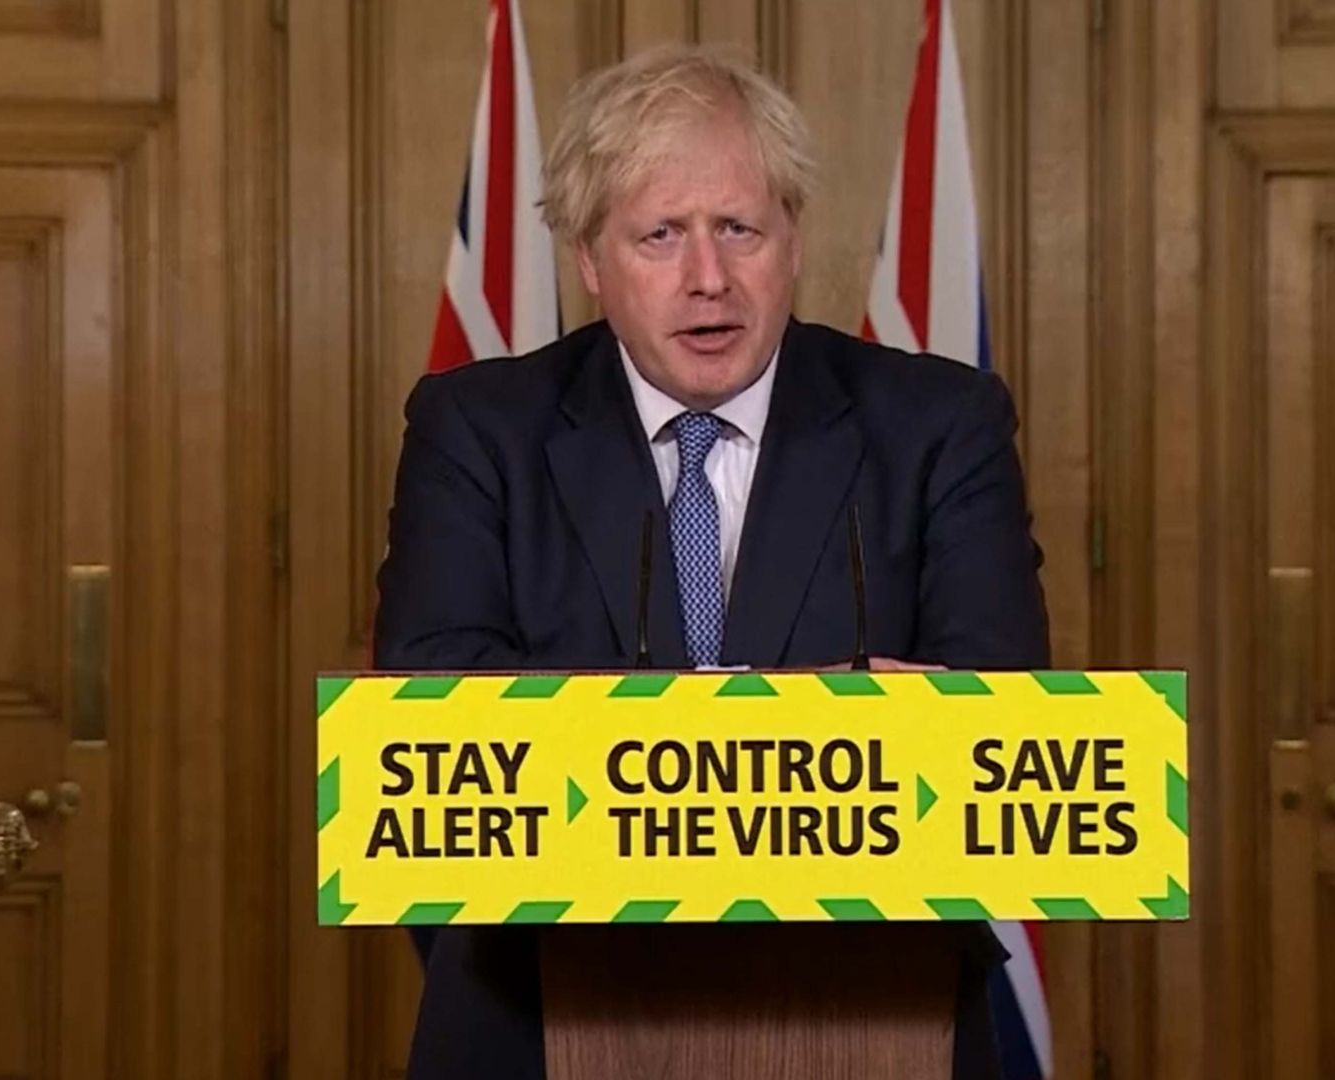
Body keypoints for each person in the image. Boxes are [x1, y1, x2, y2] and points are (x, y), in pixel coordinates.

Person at [375, 43, 1049, 1080]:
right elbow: (433, 722)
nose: (709, 278)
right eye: (660, 235)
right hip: (534, 1010)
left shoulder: (937, 426)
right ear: (591, 261)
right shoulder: (478, 430)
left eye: (740, 228)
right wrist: (815, 727)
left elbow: (1002, 723)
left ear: (792, 241)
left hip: (876, 1010)